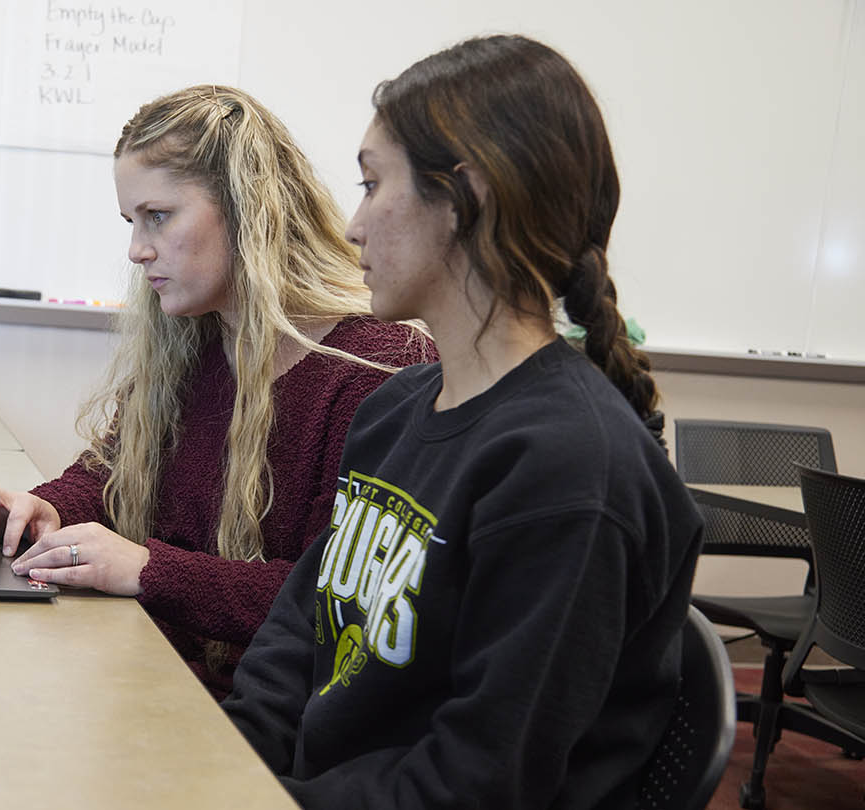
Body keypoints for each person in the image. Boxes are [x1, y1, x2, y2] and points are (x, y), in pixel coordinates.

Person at [220, 35, 703, 808]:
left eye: (373, 183)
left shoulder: (569, 470)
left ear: (465, 196)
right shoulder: (396, 410)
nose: (351, 226)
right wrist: (218, 762)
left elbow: (479, 780)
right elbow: (297, 634)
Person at [0, 85, 436, 698]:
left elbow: (339, 604)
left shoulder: (378, 368)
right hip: (151, 676)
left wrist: (151, 572)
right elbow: (110, 472)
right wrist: (46, 509)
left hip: (263, 716)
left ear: (248, 206)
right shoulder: (191, 341)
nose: (137, 249)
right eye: (131, 222)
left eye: (159, 216)